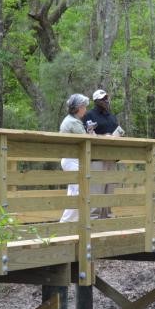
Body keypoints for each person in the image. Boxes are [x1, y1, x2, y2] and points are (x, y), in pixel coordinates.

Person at [83, 89, 122, 219]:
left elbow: (116, 130)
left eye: (107, 98)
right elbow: (87, 134)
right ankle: (94, 218)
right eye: (103, 98)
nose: (106, 100)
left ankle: (108, 217)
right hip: (97, 157)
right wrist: (103, 136)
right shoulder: (89, 115)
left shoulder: (112, 116)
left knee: (109, 188)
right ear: (96, 101)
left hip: (112, 156)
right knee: (96, 189)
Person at [59, 94, 94, 223]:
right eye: (84, 106)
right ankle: (65, 223)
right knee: (79, 191)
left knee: (74, 191)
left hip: (72, 159)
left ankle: (74, 224)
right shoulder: (72, 122)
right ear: (79, 108)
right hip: (71, 159)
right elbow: (85, 141)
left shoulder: (72, 120)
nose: (85, 109)